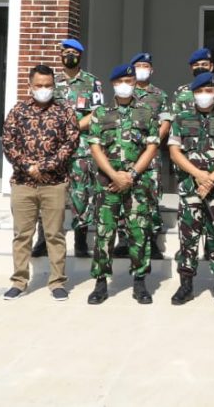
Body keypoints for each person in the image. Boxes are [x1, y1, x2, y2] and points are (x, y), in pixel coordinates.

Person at [1, 64, 79, 302]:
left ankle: (57, 282)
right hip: (24, 183)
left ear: (54, 86)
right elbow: (8, 142)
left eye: (48, 86)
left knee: (55, 234)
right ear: (30, 86)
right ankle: (19, 281)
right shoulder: (18, 110)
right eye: (39, 86)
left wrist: (44, 167)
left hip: (54, 184)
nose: (44, 90)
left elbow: (71, 142)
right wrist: (29, 167)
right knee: (22, 235)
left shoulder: (65, 110)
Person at [87, 63, 161, 305]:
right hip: (107, 182)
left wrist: (130, 175)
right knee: (104, 233)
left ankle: (140, 282)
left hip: (137, 183)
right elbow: (95, 147)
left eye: (129, 81)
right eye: (121, 82)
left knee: (138, 231)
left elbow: (152, 146)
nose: (126, 85)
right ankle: (100, 284)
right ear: (113, 84)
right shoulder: (100, 113)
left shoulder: (146, 112)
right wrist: (114, 175)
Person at [167, 72, 214, 306]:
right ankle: (186, 285)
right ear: (193, 94)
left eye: (209, 91)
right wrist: (198, 175)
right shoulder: (182, 118)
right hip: (190, 187)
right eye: (200, 91)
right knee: (188, 236)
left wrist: (213, 177)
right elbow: (174, 152)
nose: (204, 95)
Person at [30, 38, 103, 258]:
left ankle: (80, 241)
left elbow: (97, 112)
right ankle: (43, 239)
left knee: (81, 193)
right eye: (66, 52)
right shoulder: (52, 82)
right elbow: (41, 108)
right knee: (49, 191)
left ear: (80, 55)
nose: (69, 55)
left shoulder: (92, 82)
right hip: (52, 148)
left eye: (73, 52)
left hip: (80, 148)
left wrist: (72, 129)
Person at [129, 52, 170, 260]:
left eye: (146, 66)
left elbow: (166, 122)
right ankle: (124, 240)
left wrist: (153, 141)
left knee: (151, 194)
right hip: (128, 153)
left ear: (151, 70)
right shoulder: (126, 92)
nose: (142, 69)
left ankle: (152, 240)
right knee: (127, 194)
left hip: (151, 153)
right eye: (138, 65)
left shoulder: (160, 96)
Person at [170, 47, 214, 114]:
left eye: (204, 64)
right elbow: (174, 118)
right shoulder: (181, 91)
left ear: (211, 67)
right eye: (196, 65)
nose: (200, 68)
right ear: (192, 69)